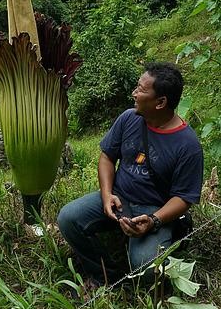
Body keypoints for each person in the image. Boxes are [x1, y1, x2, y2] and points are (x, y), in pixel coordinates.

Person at [57, 62, 203, 286]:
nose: (134, 94)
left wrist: (154, 221)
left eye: (141, 90)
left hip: (154, 209)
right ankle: (106, 276)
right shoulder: (128, 118)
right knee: (68, 218)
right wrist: (107, 195)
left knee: (146, 267)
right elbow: (107, 157)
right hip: (119, 198)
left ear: (161, 102)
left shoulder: (188, 145)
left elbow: (184, 198)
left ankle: (172, 236)